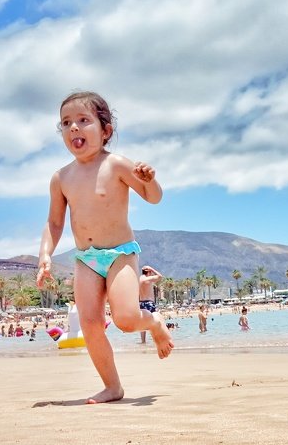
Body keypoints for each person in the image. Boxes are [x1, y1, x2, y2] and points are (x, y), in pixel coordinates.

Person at [35, 91, 173, 404]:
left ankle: (153, 322)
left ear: (105, 130)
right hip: (86, 259)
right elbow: (54, 223)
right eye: (66, 123)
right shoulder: (61, 178)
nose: (73, 127)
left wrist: (150, 180)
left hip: (120, 253)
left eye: (83, 120)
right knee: (90, 325)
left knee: (126, 319)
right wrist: (45, 255)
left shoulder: (116, 165)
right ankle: (113, 387)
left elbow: (153, 198)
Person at [138, 265, 163, 344]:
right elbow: (160, 276)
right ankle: (157, 341)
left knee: (142, 324)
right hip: (149, 303)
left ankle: (143, 342)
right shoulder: (148, 279)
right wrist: (152, 268)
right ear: (148, 272)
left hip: (141, 303)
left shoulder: (139, 279)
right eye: (150, 272)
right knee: (154, 321)